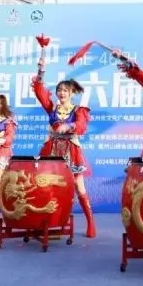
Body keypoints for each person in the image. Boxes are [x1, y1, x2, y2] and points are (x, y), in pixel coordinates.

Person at [32, 58, 96, 238]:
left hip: (70, 150)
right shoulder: (52, 107)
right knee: (50, 186)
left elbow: (81, 126)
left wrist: (69, 126)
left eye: (65, 90)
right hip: (52, 150)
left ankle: (90, 222)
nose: (61, 93)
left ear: (72, 93)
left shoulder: (79, 110)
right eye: (59, 90)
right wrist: (41, 70)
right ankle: (53, 223)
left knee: (78, 186)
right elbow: (39, 91)